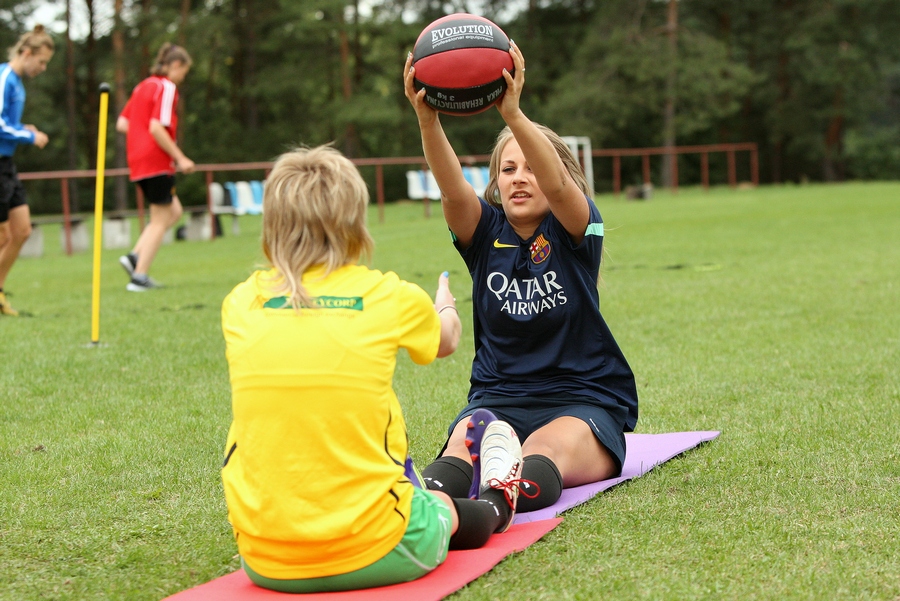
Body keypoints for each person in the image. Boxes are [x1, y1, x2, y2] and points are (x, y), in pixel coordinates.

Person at [220, 145, 534, 593]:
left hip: (264, 560)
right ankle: (498, 500)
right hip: (378, 548)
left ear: (272, 224)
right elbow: (446, 342)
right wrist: (444, 304)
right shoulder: (387, 295)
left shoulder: (240, 303)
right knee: (444, 510)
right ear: (354, 221)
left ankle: (445, 480)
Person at [403, 41, 639, 513]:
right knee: (451, 465)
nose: (519, 178)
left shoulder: (576, 226)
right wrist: (428, 120)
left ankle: (484, 515)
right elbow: (452, 190)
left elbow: (557, 185)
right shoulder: (484, 232)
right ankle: (436, 509)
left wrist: (512, 115)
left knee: (537, 458)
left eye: (531, 168)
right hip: (498, 396)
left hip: (580, 398)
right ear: (496, 182)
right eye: (508, 169)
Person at [116, 43, 194, 292]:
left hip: (136, 160)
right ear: (176, 65)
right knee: (161, 218)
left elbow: (122, 123)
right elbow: (157, 127)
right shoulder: (166, 87)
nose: (183, 78)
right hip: (156, 160)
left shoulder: (142, 86)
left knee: (174, 211)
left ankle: (134, 256)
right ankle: (139, 277)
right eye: (185, 72)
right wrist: (180, 158)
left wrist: (140, 141)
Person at [0, 25, 54, 316]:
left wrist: (22, 128)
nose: (43, 68)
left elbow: (8, 125)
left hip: (7, 165)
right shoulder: (5, 77)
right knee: (3, 236)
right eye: (41, 61)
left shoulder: (18, 83)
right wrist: (29, 136)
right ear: (26, 53)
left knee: (21, 231)